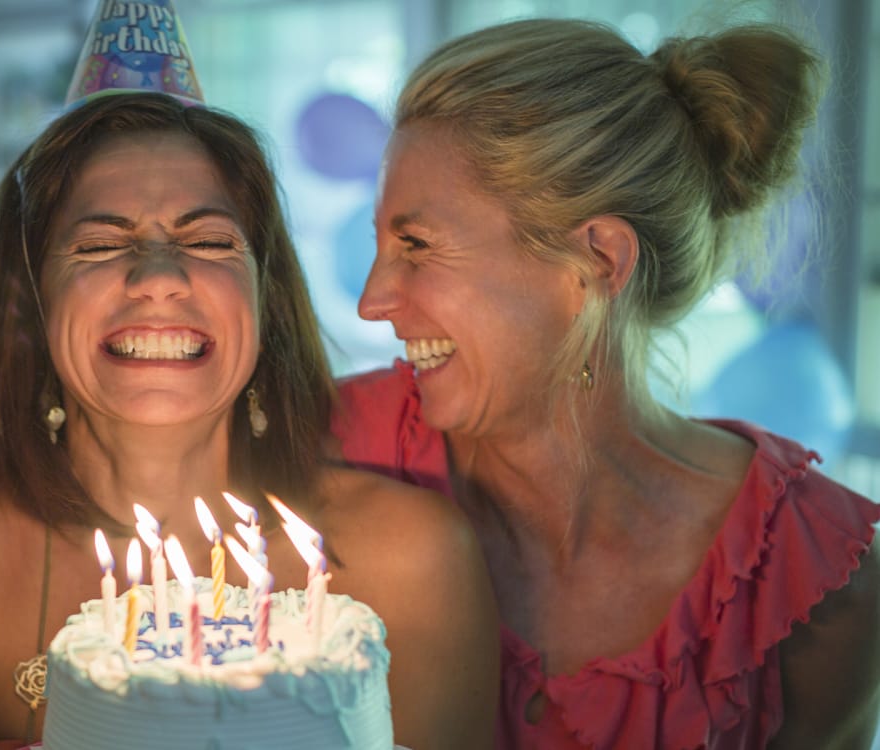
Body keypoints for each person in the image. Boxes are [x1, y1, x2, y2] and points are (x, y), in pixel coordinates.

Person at [0, 91, 499, 750]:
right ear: (27, 302)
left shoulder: (412, 563)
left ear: (265, 295)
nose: (159, 277)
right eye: (101, 244)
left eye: (208, 240)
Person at [332, 17, 880, 749]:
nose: (373, 299)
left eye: (416, 245)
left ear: (597, 261)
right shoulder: (331, 448)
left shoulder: (821, 593)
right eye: (379, 244)